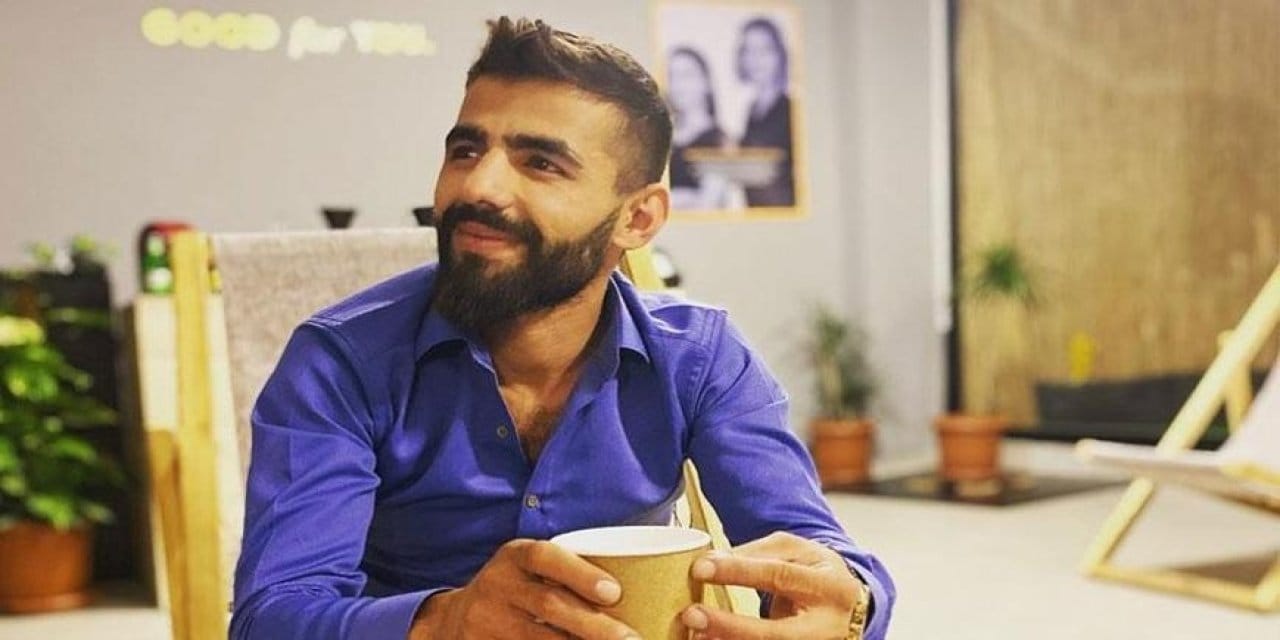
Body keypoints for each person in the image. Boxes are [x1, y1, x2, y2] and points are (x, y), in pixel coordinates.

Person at [231, 16, 893, 640]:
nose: (479, 186)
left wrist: (852, 602)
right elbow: (272, 616)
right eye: (465, 150)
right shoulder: (342, 359)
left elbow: (814, 550)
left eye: (541, 163)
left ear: (637, 219)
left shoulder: (699, 356)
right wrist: (446, 620)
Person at [736, 16, 796, 207]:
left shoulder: (789, 110)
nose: (756, 60)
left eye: (764, 50)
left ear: (779, 55)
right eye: (749, 51)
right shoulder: (752, 111)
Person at [665, 47, 732, 211]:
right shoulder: (664, 138)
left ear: (706, 82)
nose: (678, 85)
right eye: (673, 76)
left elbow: (709, 202)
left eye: (686, 75)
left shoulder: (718, 139)